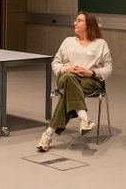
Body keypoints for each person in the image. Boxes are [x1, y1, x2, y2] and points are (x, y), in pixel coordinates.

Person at [37, 11, 113, 151]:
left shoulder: (100, 44)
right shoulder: (68, 41)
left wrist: (91, 72)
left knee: (67, 93)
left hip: (89, 81)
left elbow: (108, 68)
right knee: (69, 78)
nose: (74, 23)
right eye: (75, 21)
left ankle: (49, 133)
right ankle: (83, 118)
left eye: (79, 20)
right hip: (66, 77)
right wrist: (67, 69)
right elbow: (55, 63)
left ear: (89, 24)